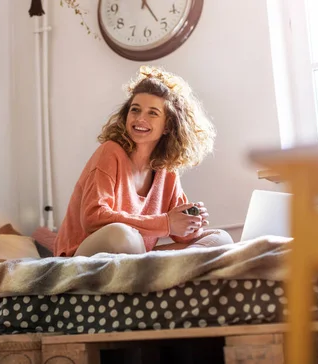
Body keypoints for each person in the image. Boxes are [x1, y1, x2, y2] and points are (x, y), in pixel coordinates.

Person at [54, 66, 233, 257]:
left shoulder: (167, 170)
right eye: (135, 110)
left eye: (152, 113)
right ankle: (154, 271)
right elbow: (93, 218)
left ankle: (156, 271)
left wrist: (192, 223)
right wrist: (166, 223)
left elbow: (182, 237)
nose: (140, 119)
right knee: (121, 234)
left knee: (220, 239)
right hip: (81, 255)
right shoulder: (110, 151)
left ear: (168, 125)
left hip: (137, 257)